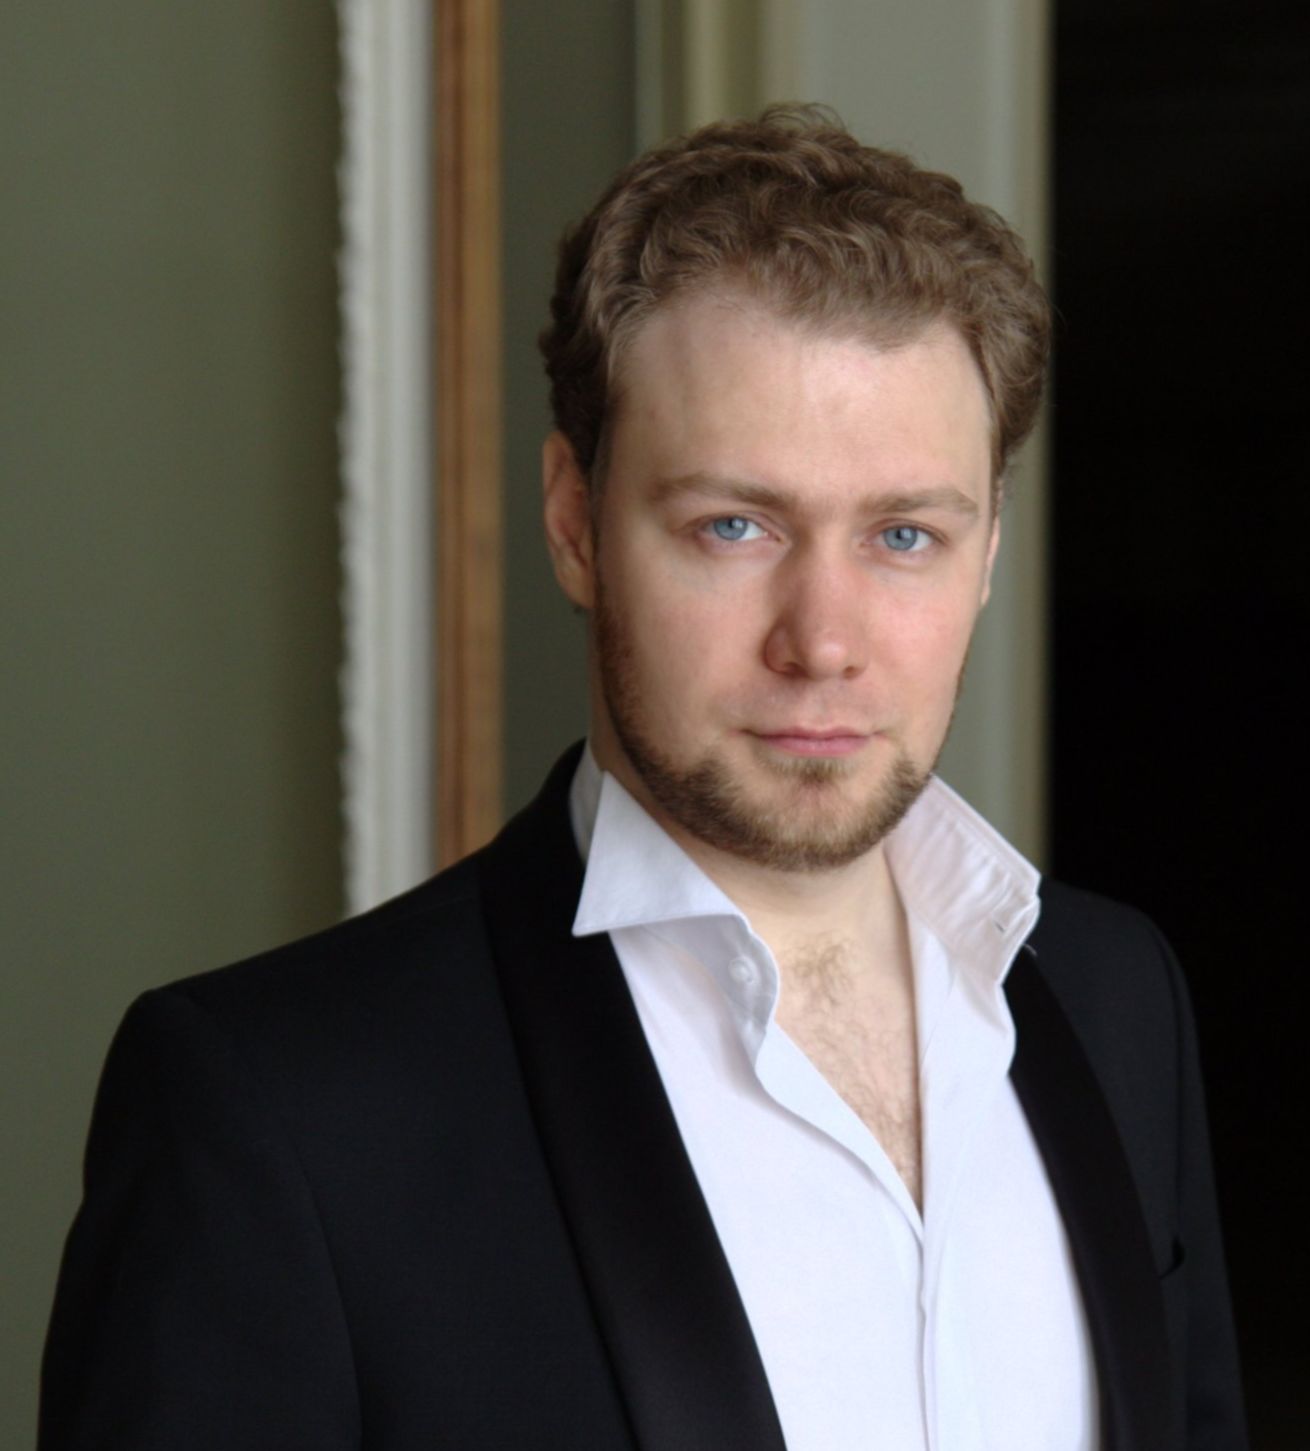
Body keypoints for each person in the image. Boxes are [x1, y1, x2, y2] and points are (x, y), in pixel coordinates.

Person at [41, 106, 1246, 1451]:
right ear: (575, 524)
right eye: (735, 526)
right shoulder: (276, 1109)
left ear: (990, 549)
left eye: (904, 535)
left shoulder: (1117, 998)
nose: (824, 642)